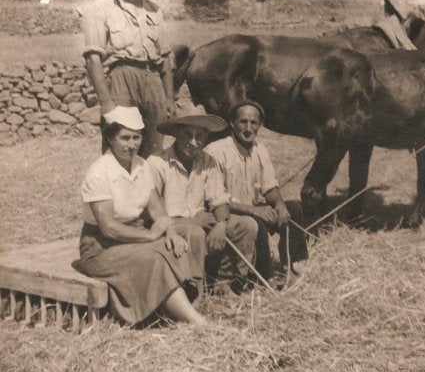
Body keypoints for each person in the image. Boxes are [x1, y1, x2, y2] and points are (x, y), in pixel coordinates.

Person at [73, 106, 206, 326]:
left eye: (136, 138)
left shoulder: (141, 165)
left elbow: (156, 208)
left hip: (132, 236)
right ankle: (195, 321)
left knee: (179, 242)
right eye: (124, 138)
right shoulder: (100, 172)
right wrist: (150, 236)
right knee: (154, 256)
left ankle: (183, 307)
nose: (131, 145)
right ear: (110, 138)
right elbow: (108, 228)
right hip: (101, 247)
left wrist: (170, 231)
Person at [82, 0, 176, 159]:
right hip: (119, 80)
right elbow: (93, 59)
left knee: (154, 146)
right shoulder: (100, 8)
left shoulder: (155, 10)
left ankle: (148, 191)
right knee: (119, 144)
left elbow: (164, 57)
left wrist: (169, 98)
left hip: (152, 80)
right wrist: (106, 101)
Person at [147, 113, 259, 297]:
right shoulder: (157, 162)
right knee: (196, 232)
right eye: (187, 135)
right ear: (176, 133)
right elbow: (151, 211)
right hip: (169, 227)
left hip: (201, 223)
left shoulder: (206, 161)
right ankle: (193, 290)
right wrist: (191, 222)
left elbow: (219, 198)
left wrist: (221, 225)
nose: (193, 142)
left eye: (199, 137)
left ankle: (224, 283)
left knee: (247, 225)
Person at [205, 100, 308, 283]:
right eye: (243, 122)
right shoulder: (216, 151)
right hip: (223, 215)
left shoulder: (260, 149)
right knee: (256, 221)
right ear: (232, 123)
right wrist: (254, 210)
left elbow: (269, 186)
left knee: (294, 209)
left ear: (259, 125)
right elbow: (215, 199)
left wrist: (280, 204)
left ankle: (289, 266)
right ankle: (265, 277)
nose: (248, 128)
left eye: (254, 123)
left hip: (250, 210)